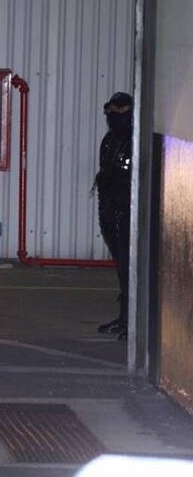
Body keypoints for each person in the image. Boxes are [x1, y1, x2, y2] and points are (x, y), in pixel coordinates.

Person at [95, 92, 134, 338]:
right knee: (122, 266)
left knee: (131, 266)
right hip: (111, 208)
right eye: (110, 110)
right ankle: (125, 318)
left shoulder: (136, 139)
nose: (113, 115)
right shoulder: (110, 140)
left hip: (128, 209)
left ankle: (132, 320)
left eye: (119, 110)